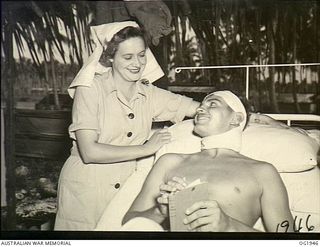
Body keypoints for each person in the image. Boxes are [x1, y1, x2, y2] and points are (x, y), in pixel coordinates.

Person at [54, 21, 200, 230]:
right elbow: (89, 151)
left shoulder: (148, 93)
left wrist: (250, 114)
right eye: (128, 57)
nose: (137, 63)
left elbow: (198, 108)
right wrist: (146, 148)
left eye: (141, 55)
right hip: (87, 192)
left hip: (127, 188)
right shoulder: (90, 89)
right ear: (110, 57)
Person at [123, 90, 294, 232]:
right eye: (201, 106)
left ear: (236, 118)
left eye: (212, 104)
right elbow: (128, 222)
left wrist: (229, 226)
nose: (200, 109)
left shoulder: (263, 171)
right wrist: (159, 211)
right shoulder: (169, 162)